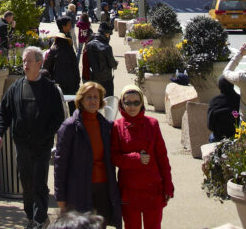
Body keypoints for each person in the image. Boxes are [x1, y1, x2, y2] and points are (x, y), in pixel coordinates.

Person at [0, 45, 65, 229]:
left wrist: (47, 135)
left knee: (39, 181)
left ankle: (39, 219)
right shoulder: (16, 88)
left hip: (42, 145)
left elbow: (58, 117)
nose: (25, 64)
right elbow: (4, 113)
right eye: (24, 61)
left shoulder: (50, 89)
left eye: (29, 61)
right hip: (22, 144)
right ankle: (30, 215)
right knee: (25, 179)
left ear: (39, 63)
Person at [54, 81, 122, 225]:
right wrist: (60, 198)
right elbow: (60, 165)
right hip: (79, 189)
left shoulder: (106, 126)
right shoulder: (70, 127)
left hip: (103, 188)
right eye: (89, 97)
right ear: (81, 100)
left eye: (96, 97)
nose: (93, 101)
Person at [110, 88, 173, 229]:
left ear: (142, 103)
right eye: (128, 103)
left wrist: (168, 185)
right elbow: (114, 157)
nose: (132, 107)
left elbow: (162, 158)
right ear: (122, 103)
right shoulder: (116, 127)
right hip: (129, 191)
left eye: (136, 102)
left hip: (153, 189)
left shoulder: (153, 124)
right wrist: (136, 159)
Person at [43, 16, 81, 95]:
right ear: (63, 26)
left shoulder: (55, 47)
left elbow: (46, 66)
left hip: (59, 81)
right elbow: (74, 64)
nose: (71, 25)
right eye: (69, 24)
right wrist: (77, 79)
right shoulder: (62, 47)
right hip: (68, 82)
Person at [83, 22, 118, 98]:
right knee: (108, 101)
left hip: (94, 78)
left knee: (96, 100)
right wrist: (116, 63)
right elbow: (112, 64)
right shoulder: (106, 47)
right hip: (106, 80)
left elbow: (86, 63)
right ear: (106, 34)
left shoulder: (89, 45)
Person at [206, 76, 240, 142]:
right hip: (237, 135)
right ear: (233, 85)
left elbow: (210, 125)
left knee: (211, 138)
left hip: (219, 136)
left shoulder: (214, 101)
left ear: (219, 87)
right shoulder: (240, 99)